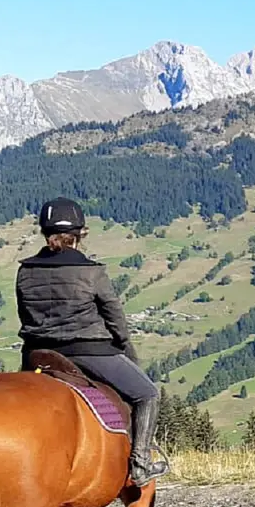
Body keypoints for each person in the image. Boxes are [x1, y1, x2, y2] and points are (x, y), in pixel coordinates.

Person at [16, 197, 169, 486]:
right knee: (147, 394)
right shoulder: (92, 271)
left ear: (45, 233)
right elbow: (115, 319)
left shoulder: (26, 270)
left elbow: (25, 313)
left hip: (37, 354)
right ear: (79, 235)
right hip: (89, 351)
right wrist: (125, 349)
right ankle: (140, 464)